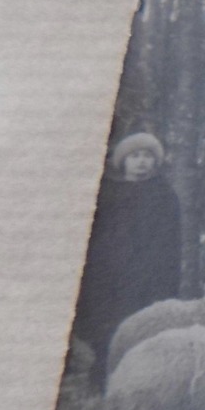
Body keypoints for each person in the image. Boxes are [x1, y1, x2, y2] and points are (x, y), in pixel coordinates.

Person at [72, 131, 182, 380]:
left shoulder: (163, 196)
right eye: (135, 156)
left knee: (138, 327)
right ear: (123, 161)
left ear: (155, 162)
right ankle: (101, 377)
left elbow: (170, 243)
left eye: (147, 156)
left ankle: (135, 380)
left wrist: (161, 276)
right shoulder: (107, 194)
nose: (141, 162)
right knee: (105, 326)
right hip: (106, 272)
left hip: (146, 274)